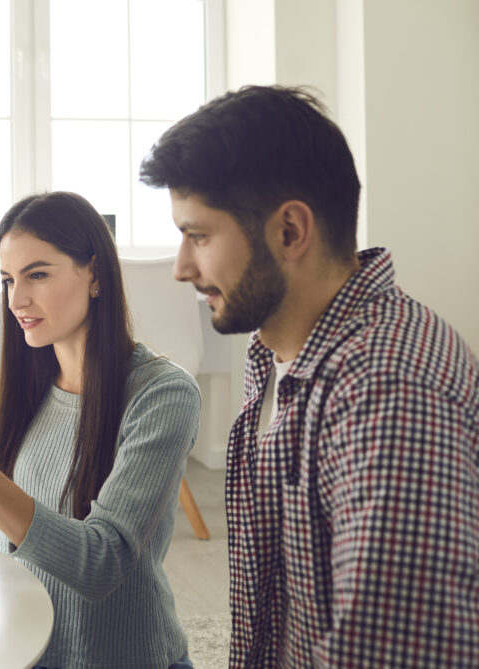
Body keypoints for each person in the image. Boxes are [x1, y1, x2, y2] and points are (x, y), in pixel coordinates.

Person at [139, 85, 479, 667]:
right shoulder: (272, 345)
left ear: (290, 232)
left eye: (198, 236)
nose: (181, 268)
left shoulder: (387, 394)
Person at [0, 191, 201, 669]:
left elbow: (101, 563)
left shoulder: (163, 394)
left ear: (96, 274)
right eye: (7, 279)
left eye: (37, 274)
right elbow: (17, 540)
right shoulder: (34, 383)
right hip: (28, 650)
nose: (17, 299)